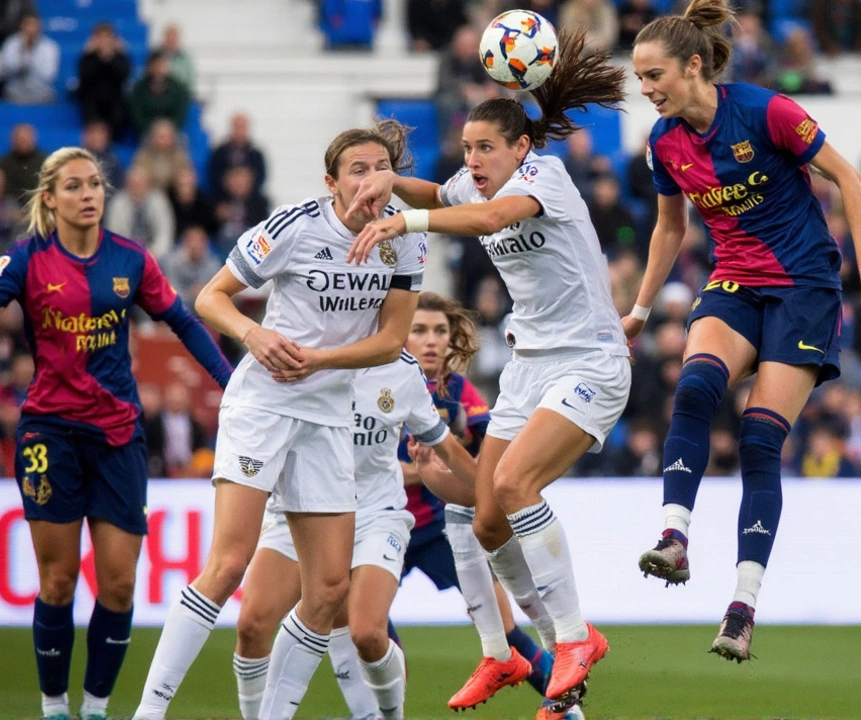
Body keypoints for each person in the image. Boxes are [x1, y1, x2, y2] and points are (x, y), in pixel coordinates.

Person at [345, 29, 630, 717]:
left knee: (514, 482)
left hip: (591, 359)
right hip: (531, 367)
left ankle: (574, 637)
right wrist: (387, 181)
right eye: (468, 148)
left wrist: (402, 218)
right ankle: (506, 653)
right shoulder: (474, 182)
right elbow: (445, 192)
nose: (472, 160)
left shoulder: (544, 179)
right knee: (485, 518)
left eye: (485, 149)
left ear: (520, 149)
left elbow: (489, 217)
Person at [628, 0, 861, 661]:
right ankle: (675, 538)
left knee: (758, 439)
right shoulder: (663, 145)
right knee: (694, 388)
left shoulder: (766, 111)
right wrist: (636, 309)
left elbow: (849, 177)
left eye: (654, 74)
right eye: (639, 78)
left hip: (805, 289)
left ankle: (743, 606)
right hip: (734, 282)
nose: (646, 89)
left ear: (694, 66)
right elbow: (671, 228)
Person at [131, 121, 427, 720]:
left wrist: (320, 361)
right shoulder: (295, 225)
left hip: (327, 414)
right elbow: (210, 297)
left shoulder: (406, 240)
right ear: (332, 183)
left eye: (380, 168)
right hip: (264, 403)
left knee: (328, 591)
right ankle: (149, 712)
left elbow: (393, 339)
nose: (372, 180)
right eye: (358, 170)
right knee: (229, 564)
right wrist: (253, 332)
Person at [0, 147, 233, 720]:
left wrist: (231, 382)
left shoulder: (131, 259)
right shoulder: (26, 259)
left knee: (120, 586)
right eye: (74, 186)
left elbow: (180, 320)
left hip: (118, 436)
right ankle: (55, 708)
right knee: (57, 581)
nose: (88, 194)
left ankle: (96, 708)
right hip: (50, 435)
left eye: (95, 185)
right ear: (50, 199)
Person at [233, 355, 476, 720]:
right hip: (302, 508)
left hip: (376, 515)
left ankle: (389, 716)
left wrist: (487, 493)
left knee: (367, 633)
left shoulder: (401, 370)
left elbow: (444, 444)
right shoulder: (302, 354)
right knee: (251, 624)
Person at [395, 291, 569, 713]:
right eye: (420, 331)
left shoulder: (457, 389)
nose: (432, 340)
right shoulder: (383, 385)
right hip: (385, 524)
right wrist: (432, 467)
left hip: (439, 527)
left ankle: (566, 705)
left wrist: (452, 462)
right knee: (366, 630)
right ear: (402, 336)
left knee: (506, 628)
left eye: (441, 331)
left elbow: (493, 454)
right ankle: (382, 708)